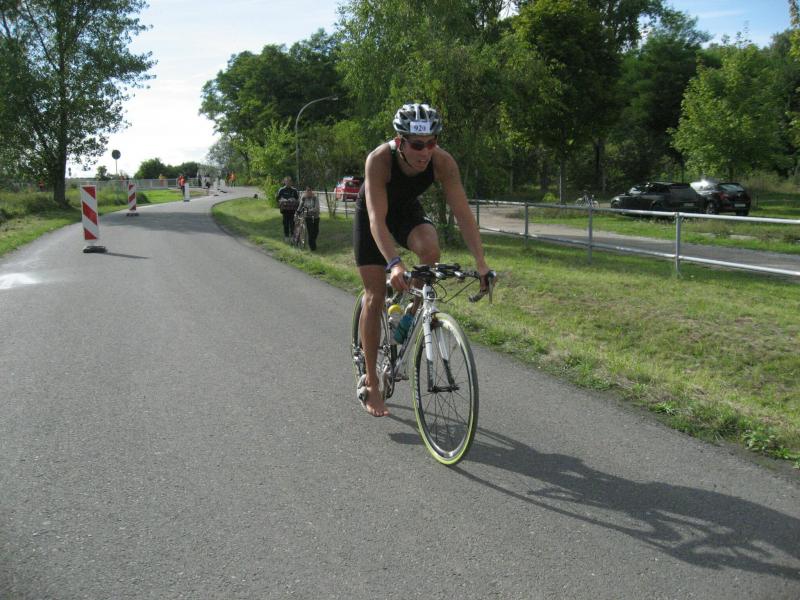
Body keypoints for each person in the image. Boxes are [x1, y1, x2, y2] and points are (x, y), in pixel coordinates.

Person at [353, 102, 492, 417]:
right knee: (375, 295)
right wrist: (394, 263)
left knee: (430, 249)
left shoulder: (443, 162)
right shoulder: (379, 160)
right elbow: (376, 220)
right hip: (373, 216)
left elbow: (463, 214)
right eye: (417, 145)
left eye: (432, 142)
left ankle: (409, 312)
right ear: (400, 141)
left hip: (405, 210)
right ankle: (372, 382)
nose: (425, 151)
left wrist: (481, 262)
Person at [276, 177, 300, 241]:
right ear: (284, 182)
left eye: (289, 182)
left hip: (292, 209)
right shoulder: (281, 190)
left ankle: (292, 236)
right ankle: (286, 236)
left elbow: (297, 199)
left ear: (291, 182)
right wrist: (282, 199)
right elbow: (277, 198)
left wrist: (293, 199)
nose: (288, 183)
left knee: (292, 223)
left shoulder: (294, 190)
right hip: (285, 210)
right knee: (285, 223)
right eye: (287, 182)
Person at [297, 186, 321, 250]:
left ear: (312, 191)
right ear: (306, 191)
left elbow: (316, 208)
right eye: (307, 190)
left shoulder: (315, 198)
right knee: (310, 232)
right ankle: (312, 247)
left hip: (316, 217)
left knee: (316, 231)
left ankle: (312, 242)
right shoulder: (304, 198)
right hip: (308, 217)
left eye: (310, 190)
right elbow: (300, 206)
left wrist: (309, 210)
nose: (309, 191)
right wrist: (297, 212)